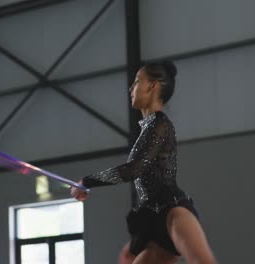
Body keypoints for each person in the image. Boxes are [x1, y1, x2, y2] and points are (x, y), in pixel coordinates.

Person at [71, 61, 217, 264]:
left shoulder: (160, 124)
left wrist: (88, 181)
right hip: (152, 219)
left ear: (152, 86)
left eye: (137, 81)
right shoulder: (146, 129)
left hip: (172, 212)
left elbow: (134, 169)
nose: (131, 87)